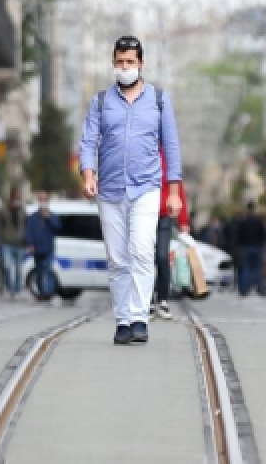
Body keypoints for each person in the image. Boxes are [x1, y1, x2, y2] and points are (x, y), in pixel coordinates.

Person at [80, 35, 183, 346]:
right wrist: (88, 174)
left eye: (130, 62)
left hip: (147, 187)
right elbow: (88, 142)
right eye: (119, 62)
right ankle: (122, 319)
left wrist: (174, 190)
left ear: (141, 64)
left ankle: (139, 317)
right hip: (109, 190)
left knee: (140, 251)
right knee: (117, 259)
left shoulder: (160, 100)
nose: (124, 68)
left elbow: (171, 145)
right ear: (113, 63)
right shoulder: (101, 101)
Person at [153, 149, 190, 319]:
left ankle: (162, 300)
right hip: (143, 214)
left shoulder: (169, 156)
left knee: (162, 257)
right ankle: (144, 301)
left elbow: (179, 189)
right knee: (143, 257)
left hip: (164, 216)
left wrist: (183, 221)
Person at [26, 190, 62, 299]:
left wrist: (48, 218)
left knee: (49, 271)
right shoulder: (33, 217)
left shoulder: (53, 215)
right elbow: (29, 231)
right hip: (37, 249)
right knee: (39, 272)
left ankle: (48, 293)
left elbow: (58, 228)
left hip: (48, 249)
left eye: (44, 199)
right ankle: (41, 293)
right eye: (41, 199)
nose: (42, 201)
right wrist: (30, 244)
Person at [0, 187, 27, 300]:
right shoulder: (4, 209)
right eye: (16, 196)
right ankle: (10, 288)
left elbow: (26, 226)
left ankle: (16, 290)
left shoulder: (23, 210)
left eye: (19, 196)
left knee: (19, 269)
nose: (18, 198)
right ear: (12, 197)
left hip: (20, 244)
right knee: (7, 266)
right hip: (6, 243)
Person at [234, 202, 266, 298]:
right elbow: (263, 234)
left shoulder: (243, 221)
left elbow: (239, 235)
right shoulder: (259, 221)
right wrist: (261, 244)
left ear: (247, 209)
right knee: (258, 269)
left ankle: (245, 290)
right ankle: (261, 289)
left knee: (246, 269)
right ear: (254, 209)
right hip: (257, 246)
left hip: (246, 247)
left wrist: (242, 244)